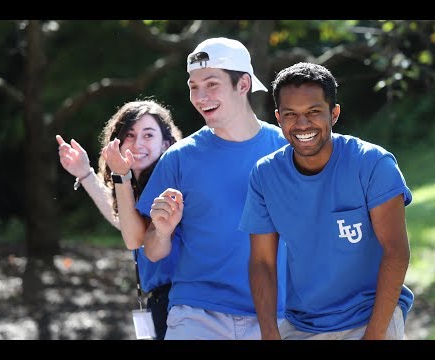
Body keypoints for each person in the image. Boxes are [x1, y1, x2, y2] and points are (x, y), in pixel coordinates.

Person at [238, 62, 414, 340]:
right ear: (278, 118)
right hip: (303, 324)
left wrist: (374, 335)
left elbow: (396, 252)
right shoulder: (264, 174)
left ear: (334, 114)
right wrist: (269, 333)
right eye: (291, 114)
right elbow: (262, 262)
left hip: (370, 316)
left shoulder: (372, 164)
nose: (302, 123)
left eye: (314, 112)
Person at [128, 37, 289, 340]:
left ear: (243, 84)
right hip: (196, 314)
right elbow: (151, 250)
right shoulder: (178, 159)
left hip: (276, 317)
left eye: (211, 84)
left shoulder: (286, 150)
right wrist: (161, 231)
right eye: (193, 86)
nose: (200, 96)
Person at [56, 99, 183, 340]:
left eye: (148, 135)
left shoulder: (170, 182)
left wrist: (118, 176)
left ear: (166, 143)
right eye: (130, 135)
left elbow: (135, 237)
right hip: (161, 302)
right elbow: (125, 223)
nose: (137, 144)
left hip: (182, 302)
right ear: (117, 141)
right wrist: (85, 173)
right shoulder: (134, 186)